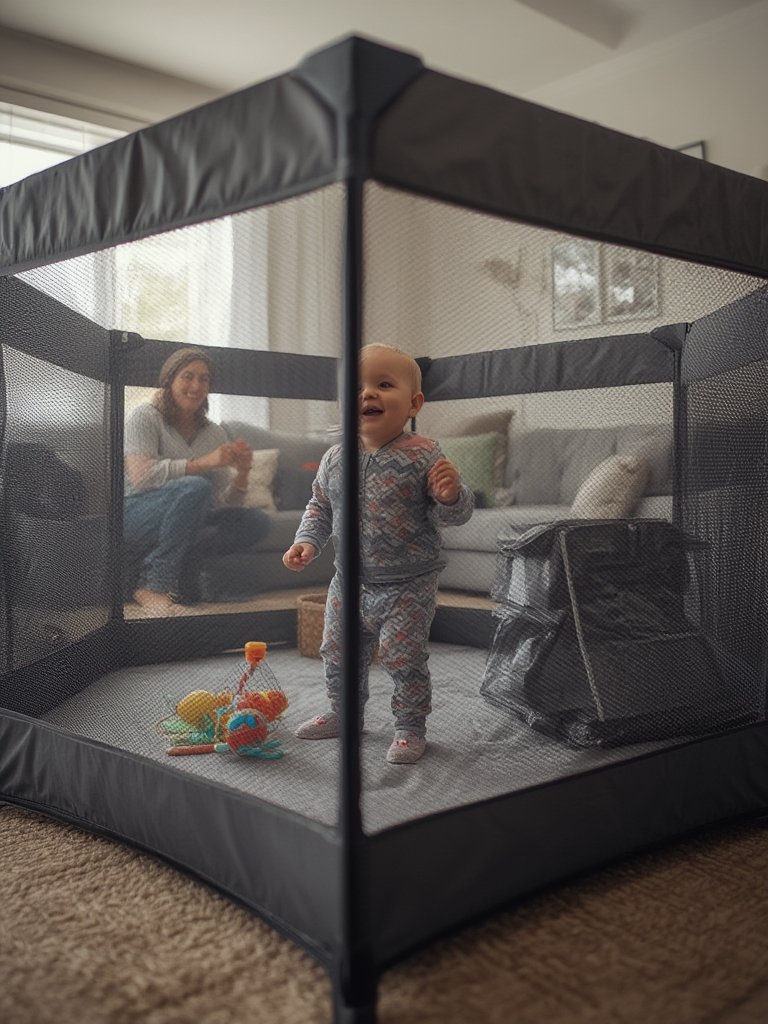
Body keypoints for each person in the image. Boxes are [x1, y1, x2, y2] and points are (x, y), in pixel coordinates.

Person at [282, 343, 474, 764]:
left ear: (413, 403)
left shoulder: (424, 453)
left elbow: (455, 514)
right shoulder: (334, 458)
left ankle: (409, 726)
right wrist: (307, 542)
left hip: (409, 583)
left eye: (384, 385)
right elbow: (320, 506)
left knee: (403, 657)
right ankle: (344, 712)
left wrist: (451, 494)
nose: (368, 394)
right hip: (347, 580)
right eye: (358, 387)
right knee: (337, 652)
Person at [123, 346, 270, 610]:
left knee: (255, 521)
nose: (196, 385)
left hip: (190, 515)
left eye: (204, 379)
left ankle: (185, 565)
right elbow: (141, 476)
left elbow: (220, 503)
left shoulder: (214, 433)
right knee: (195, 486)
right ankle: (153, 585)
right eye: (187, 376)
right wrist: (204, 463)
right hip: (136, 513)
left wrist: (244, 474)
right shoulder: (145, 417)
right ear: (169, 381)